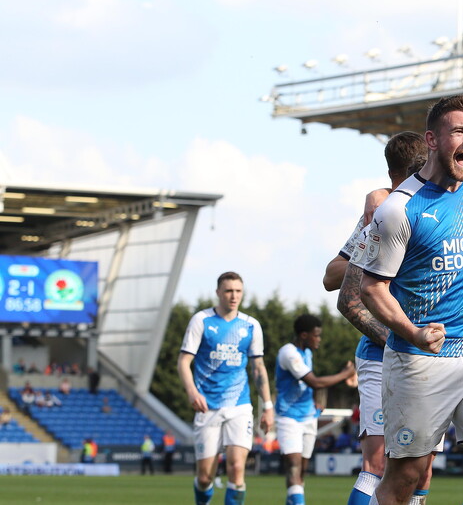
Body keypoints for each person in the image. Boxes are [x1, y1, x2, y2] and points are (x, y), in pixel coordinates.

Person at [357, 94, 463, 505]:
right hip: (418, 363)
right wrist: (413, 333)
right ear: (433, 140)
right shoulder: (399, 209)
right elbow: (370, 288)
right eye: (459, 131)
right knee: (405, 478)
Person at [332, 132, 436, 505]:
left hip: (430, 356)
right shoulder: (383, 213)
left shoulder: (436, 211)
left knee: (422, 467)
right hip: (381, 353)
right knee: (377, 463)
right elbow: (338, 284)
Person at [178, 271, 274, 505]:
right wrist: (192, 392)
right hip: (207, 407)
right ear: (218, 293)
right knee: (205, 477)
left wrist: (268, 406)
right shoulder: (201, 320)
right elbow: (183, 362)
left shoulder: (251, 325)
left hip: (239, 405)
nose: (234, 296)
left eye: (238, 291)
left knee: (237, 467)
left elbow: (258, 368)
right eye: (229, 291)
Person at [275, 313, 357, 505]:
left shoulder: (308, 353)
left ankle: (293, 500)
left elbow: (305, 384)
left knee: (302, 469)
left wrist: (312, 402)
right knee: (294, 466)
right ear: (304, 335)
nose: (319, 339)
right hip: (288, 417)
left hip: (308, 416)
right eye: (316, 335)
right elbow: (315, 382)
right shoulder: (289, 353)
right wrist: (346, 373)